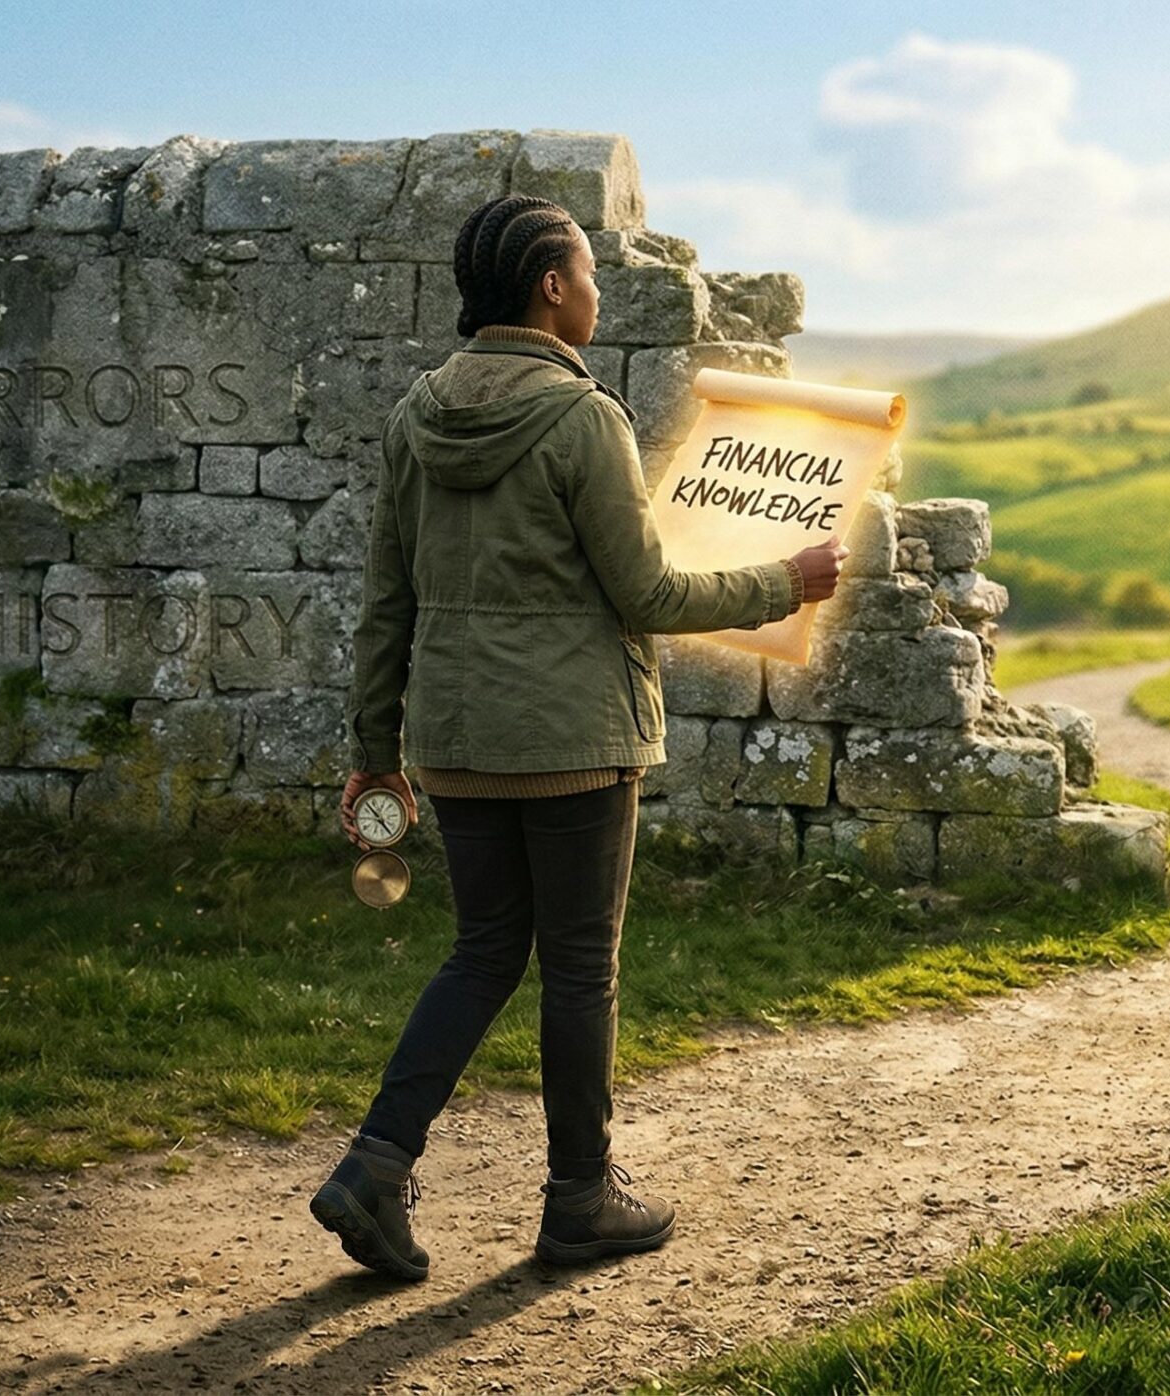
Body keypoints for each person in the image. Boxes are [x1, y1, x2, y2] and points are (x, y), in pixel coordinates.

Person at [308, 194, 847, 1282]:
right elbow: (644, 589)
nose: (598, 290)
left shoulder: (418, 415)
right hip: (575, 743)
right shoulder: (581, 418)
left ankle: (374, 1166)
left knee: (482, 951)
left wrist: (375, 752)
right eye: (588, 271)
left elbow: (385, 603)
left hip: (455, 743)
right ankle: (579, 1199)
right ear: (550, 287)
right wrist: (778, 582)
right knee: (579, 969)